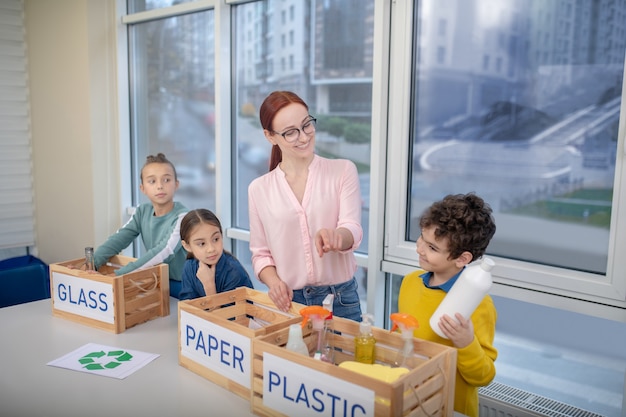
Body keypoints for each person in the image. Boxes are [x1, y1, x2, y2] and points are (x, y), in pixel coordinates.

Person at [248, 90, 363, 321]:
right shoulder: (259, 189)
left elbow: (353, 228)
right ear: (270, 136)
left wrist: (338, 236)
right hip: (290, 303)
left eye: (307, 125)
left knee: (348, 359)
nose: (303, 137)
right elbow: (261, 254)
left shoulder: (343, 170)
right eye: (290, 132)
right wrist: (274, 283)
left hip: (340, 300)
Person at [397, 192, 498, 417]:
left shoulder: (478, 305)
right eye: (422, 238)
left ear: (462, 259)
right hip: (412, 401)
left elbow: (483, 376)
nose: (420, 248)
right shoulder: (410, 283)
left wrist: (466, 342)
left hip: (451, 408)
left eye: (432, 248)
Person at [93, 153, 188, 290]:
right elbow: (119, 238)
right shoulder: (142, 212)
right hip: (158, 280)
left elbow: (165, 250)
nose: (160, 186)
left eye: (166, 180)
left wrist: (119, 274)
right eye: (152, 181)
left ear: (176, 184)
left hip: (184, 285)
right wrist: (93, 262)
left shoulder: (183, 216)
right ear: (142, 188)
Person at [178, 209, 253, 300]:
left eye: (215, 239)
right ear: (187, 246)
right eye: (202, 244)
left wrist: (209, 286)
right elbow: (187, 306)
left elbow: (226, 314)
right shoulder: (189, 266)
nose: (211, 249)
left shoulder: (234, 272)